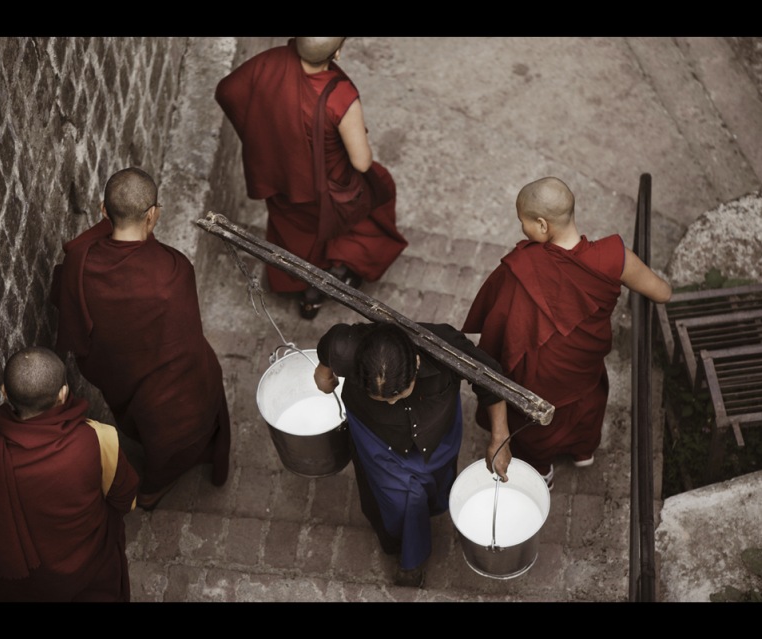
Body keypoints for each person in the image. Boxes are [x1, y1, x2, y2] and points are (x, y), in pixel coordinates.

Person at [462, 176, 672, 489]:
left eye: (523, 221)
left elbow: (499, 334)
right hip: (585, 365)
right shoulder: (615, 257)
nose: (522, 228)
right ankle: (583, 452)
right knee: (586, 403)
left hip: (541, 379)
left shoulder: (521, 269)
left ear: (542, 224)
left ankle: (542, 470)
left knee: (536, 420)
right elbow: (663, 293)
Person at [50, 167, 231, 510]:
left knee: (151, 422)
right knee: (178, 420)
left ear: (103, 210)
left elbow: (66, 301)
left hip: (118, 375)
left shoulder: (79, 261)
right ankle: (152, 489)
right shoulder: (174, 271)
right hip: (166, 385)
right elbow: (184, 339)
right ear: (152, 215)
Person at [215, 37, 408, 319]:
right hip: (327, 186)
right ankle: (338, 273)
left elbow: (227, 91)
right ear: (337, 53)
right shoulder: (339, 97)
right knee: (377, 192)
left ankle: (308, 295)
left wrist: (260, 139)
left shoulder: (271, 62)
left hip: (280, 179)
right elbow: (361, 162)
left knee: (295, 236)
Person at [313, 321, 510, 588]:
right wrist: (325, 379)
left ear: (416, 363)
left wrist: (500, 438)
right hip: (378, 437)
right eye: (382, 399)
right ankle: (409, 557)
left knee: (437, 483)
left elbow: (490, 379)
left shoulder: (444, 345)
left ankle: (434, 506)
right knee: (401, 501)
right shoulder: (342, 345)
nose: (392, 402)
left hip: (437, 433)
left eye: (398, 394)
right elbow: (324, 370)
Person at [0, 347, 139, 602]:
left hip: (23, 580)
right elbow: (125, 497)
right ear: (63, 394)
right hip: (87, 566)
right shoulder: (99, 439)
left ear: (4, 392)